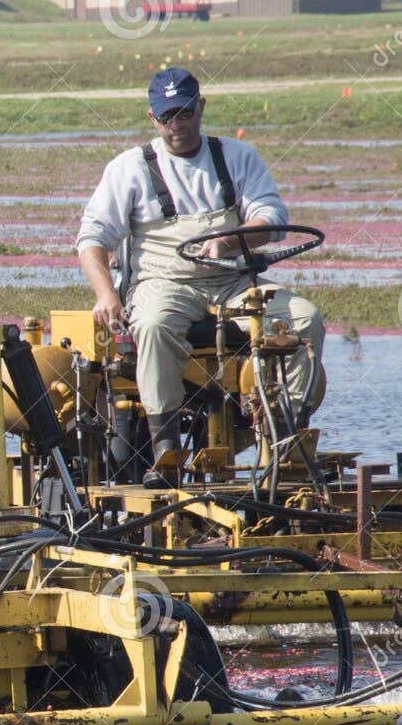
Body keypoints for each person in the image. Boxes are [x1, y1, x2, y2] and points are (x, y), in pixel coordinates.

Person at [76, 68, 324, 487]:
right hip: (163, 284)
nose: (178, 123)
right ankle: (165, 449)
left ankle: (287, 438)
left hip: (234, 283)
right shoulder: (130, 168)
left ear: (200, 107)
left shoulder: (237, 156)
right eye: (168, 115)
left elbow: (272, 219)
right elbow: (92, 238)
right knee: (153, 324)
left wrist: (229, 242)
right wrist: (105, 293)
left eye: (186, 111)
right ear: (152, 118)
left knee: (304, 319)